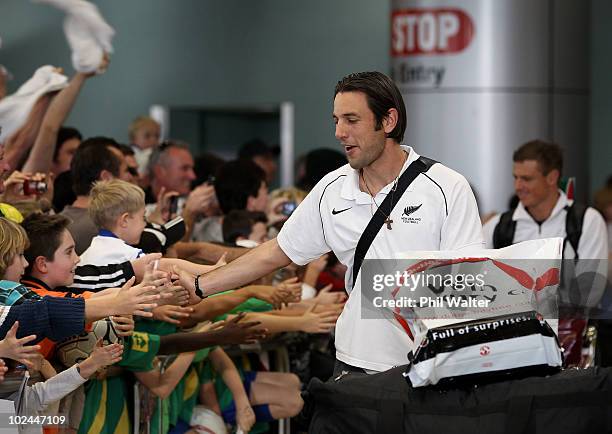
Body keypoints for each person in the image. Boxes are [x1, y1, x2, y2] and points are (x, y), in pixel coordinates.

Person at [187, 71, 484, 374]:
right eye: (336, 120)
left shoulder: (446, 187)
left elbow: (470, 282)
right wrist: (199, 287)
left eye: (351, 120)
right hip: (354, 362)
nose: (339, 132)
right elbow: (275, 252)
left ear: (388, 121)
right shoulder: (332, 189)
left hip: (431, 366)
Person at [483, 140, 608, 262]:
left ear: (552, 178)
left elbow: (592, 282)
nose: (518, 186)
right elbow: (474, 278)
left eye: (526, 179)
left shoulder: (587, 221)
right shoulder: (496, 226)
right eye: (516, 177)